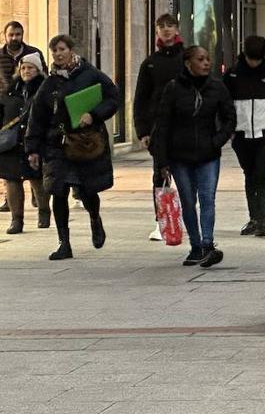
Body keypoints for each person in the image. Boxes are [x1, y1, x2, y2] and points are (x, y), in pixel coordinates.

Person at [26, 35, 120, 261]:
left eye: (61, 49)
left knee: (88, 191)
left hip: (85, 142)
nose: (58, 54)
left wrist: (94, 114)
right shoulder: (49, 84)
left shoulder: (90, 74)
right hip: (57, 145)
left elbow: (112, 96)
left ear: (71, 50)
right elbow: (36, 117)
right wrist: (32, 148)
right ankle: (63, 242)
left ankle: (95, 219)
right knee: (58, 192)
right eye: (54, 51)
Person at [153, 46, 236, 267]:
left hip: (208, 154)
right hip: (180, 156)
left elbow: (230, 118)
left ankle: (208, 244)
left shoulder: (217, 87)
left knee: (208, 198)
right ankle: (196, 245)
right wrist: (162, 161)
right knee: (188, 201)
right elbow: (163, 125)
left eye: (208, 59)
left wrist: (217, 141)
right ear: (188, 63)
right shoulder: (173, 89)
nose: (206, 63)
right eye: (201, 59)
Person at [224, 36, 265, 238]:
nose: (254, 63)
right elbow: (224, 103)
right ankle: (254, 218)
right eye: (251, 59)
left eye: (257, 59)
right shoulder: (233, 75)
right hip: (241, 134)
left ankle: (262, 219)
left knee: (262, 174)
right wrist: (229, 130)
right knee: (250, 175)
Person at [133, 14, 186, 242]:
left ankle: (185, 215)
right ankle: (162, 221)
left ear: (177, 29)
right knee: (160, 174)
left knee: (185, 174)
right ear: (156, 31)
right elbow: (141, 98)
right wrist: (143, 130)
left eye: (170, 26)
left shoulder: (187, 58)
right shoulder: (150, 63)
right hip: (158, 128)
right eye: (161, 27)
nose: (165, 30)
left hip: (184, 125)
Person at [1, 54, 49, 233]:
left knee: (37, 179)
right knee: (12, 180)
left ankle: (44, 211)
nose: (26, 71)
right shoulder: (11, 90)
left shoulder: (44, 90)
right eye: (23, 68)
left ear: (38, 70)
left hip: (34, 142)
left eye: (30, 68)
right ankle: (16, 220)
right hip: (11, 143)